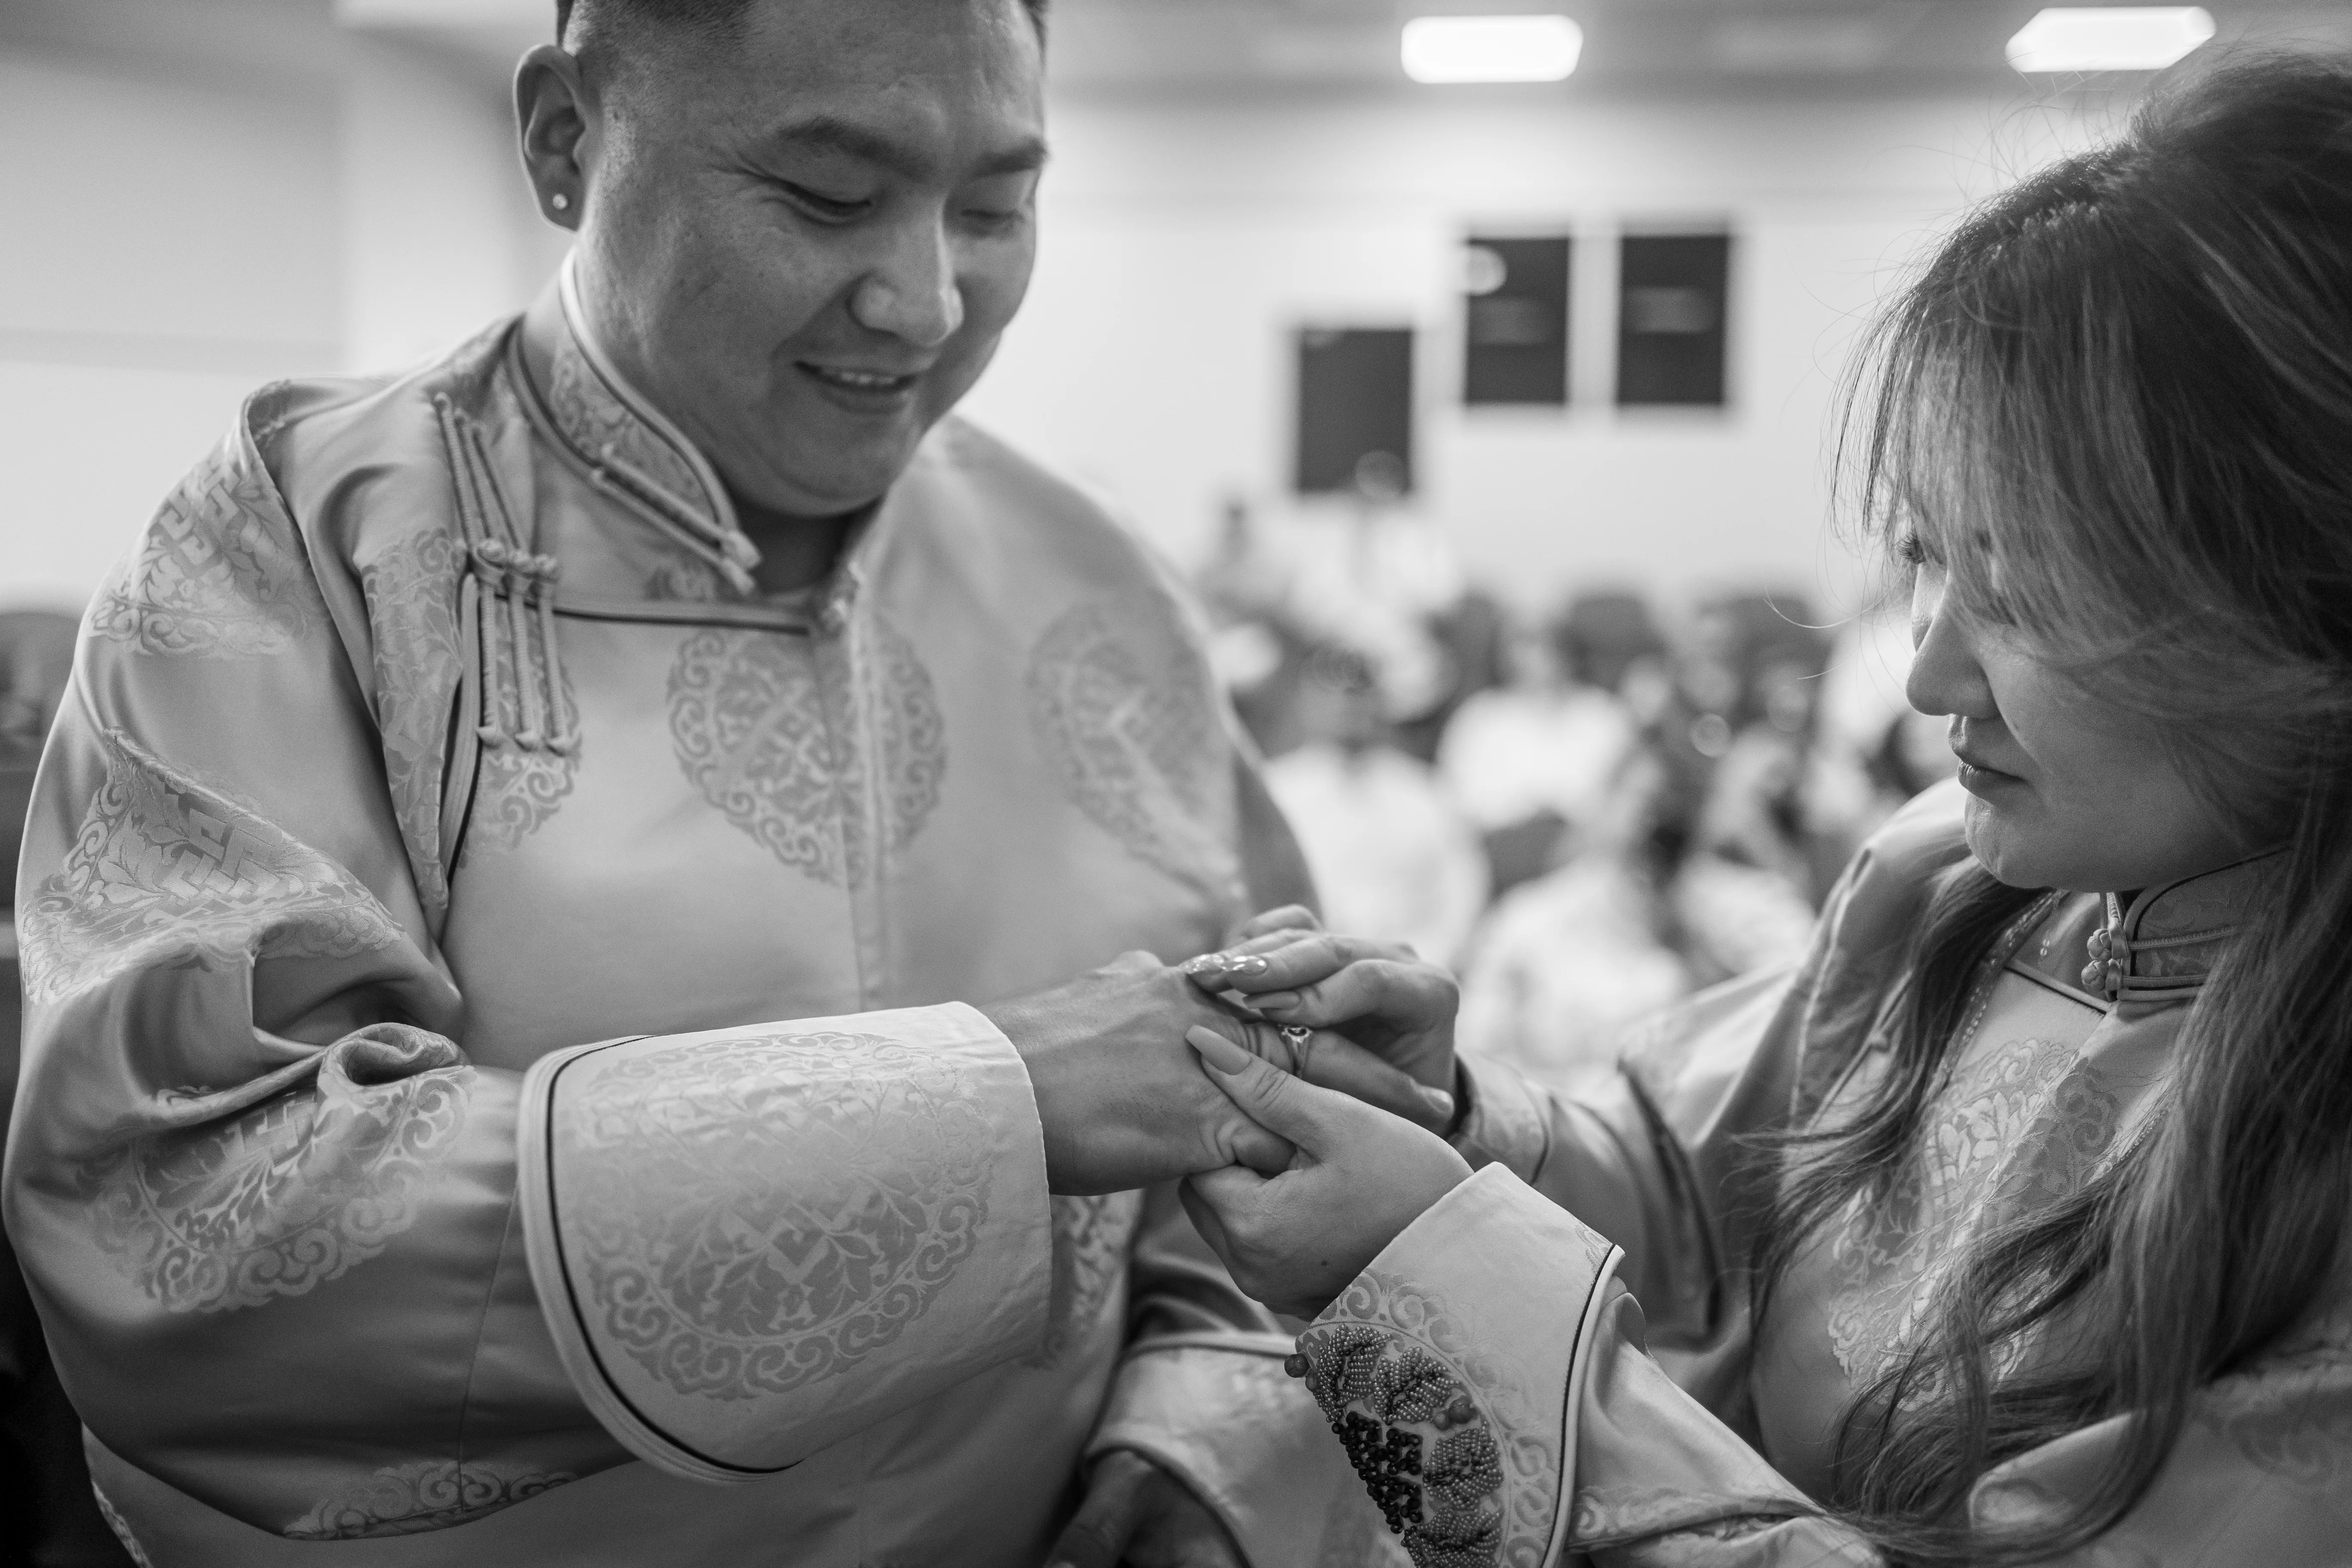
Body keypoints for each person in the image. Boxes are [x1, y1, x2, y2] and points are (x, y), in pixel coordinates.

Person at [0, 2, 1446, 1563]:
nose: (923, 301)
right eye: (828, 198)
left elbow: (1259, 1162)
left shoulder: (1094, 587)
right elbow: (187, 1235)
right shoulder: (303, 547)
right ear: (566, 138)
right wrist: (1006, 1098)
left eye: (995, 206)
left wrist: (1202, 1455)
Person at [1175, 54, 2352, 1566]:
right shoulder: (1945, 885)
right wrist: (1450, 1124)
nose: (1928, 679)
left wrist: (1434, 1291)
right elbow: (1699, 1196)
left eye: (2029, 598)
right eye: (1929, 562)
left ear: (2293, 614)